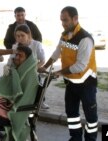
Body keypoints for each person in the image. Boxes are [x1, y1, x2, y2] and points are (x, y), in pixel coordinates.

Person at [39, 6, 98, 141]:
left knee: (91, 116)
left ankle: (91, 138)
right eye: (61, 20)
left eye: (65, 20)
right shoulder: (64, 35)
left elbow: (80, 66)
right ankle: (75, 137)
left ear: (75, 18)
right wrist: (45, 66)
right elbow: (56, 53)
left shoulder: (85, 39)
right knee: (71, 113)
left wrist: (58, 72)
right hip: (71, 83)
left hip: (87, 83)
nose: (63, 24)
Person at [3, 24, 49, 109]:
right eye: (17, 36)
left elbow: (42, 60)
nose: (20, 38)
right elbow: (10, 61)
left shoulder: (36, 45)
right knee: (4, 83)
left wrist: (33, 68)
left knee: (36, 88)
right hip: (19, 74)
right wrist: (7, 67)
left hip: (32, 74)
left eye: (22, 35)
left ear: (28, 34)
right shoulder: (15, 46)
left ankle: (39, 102)